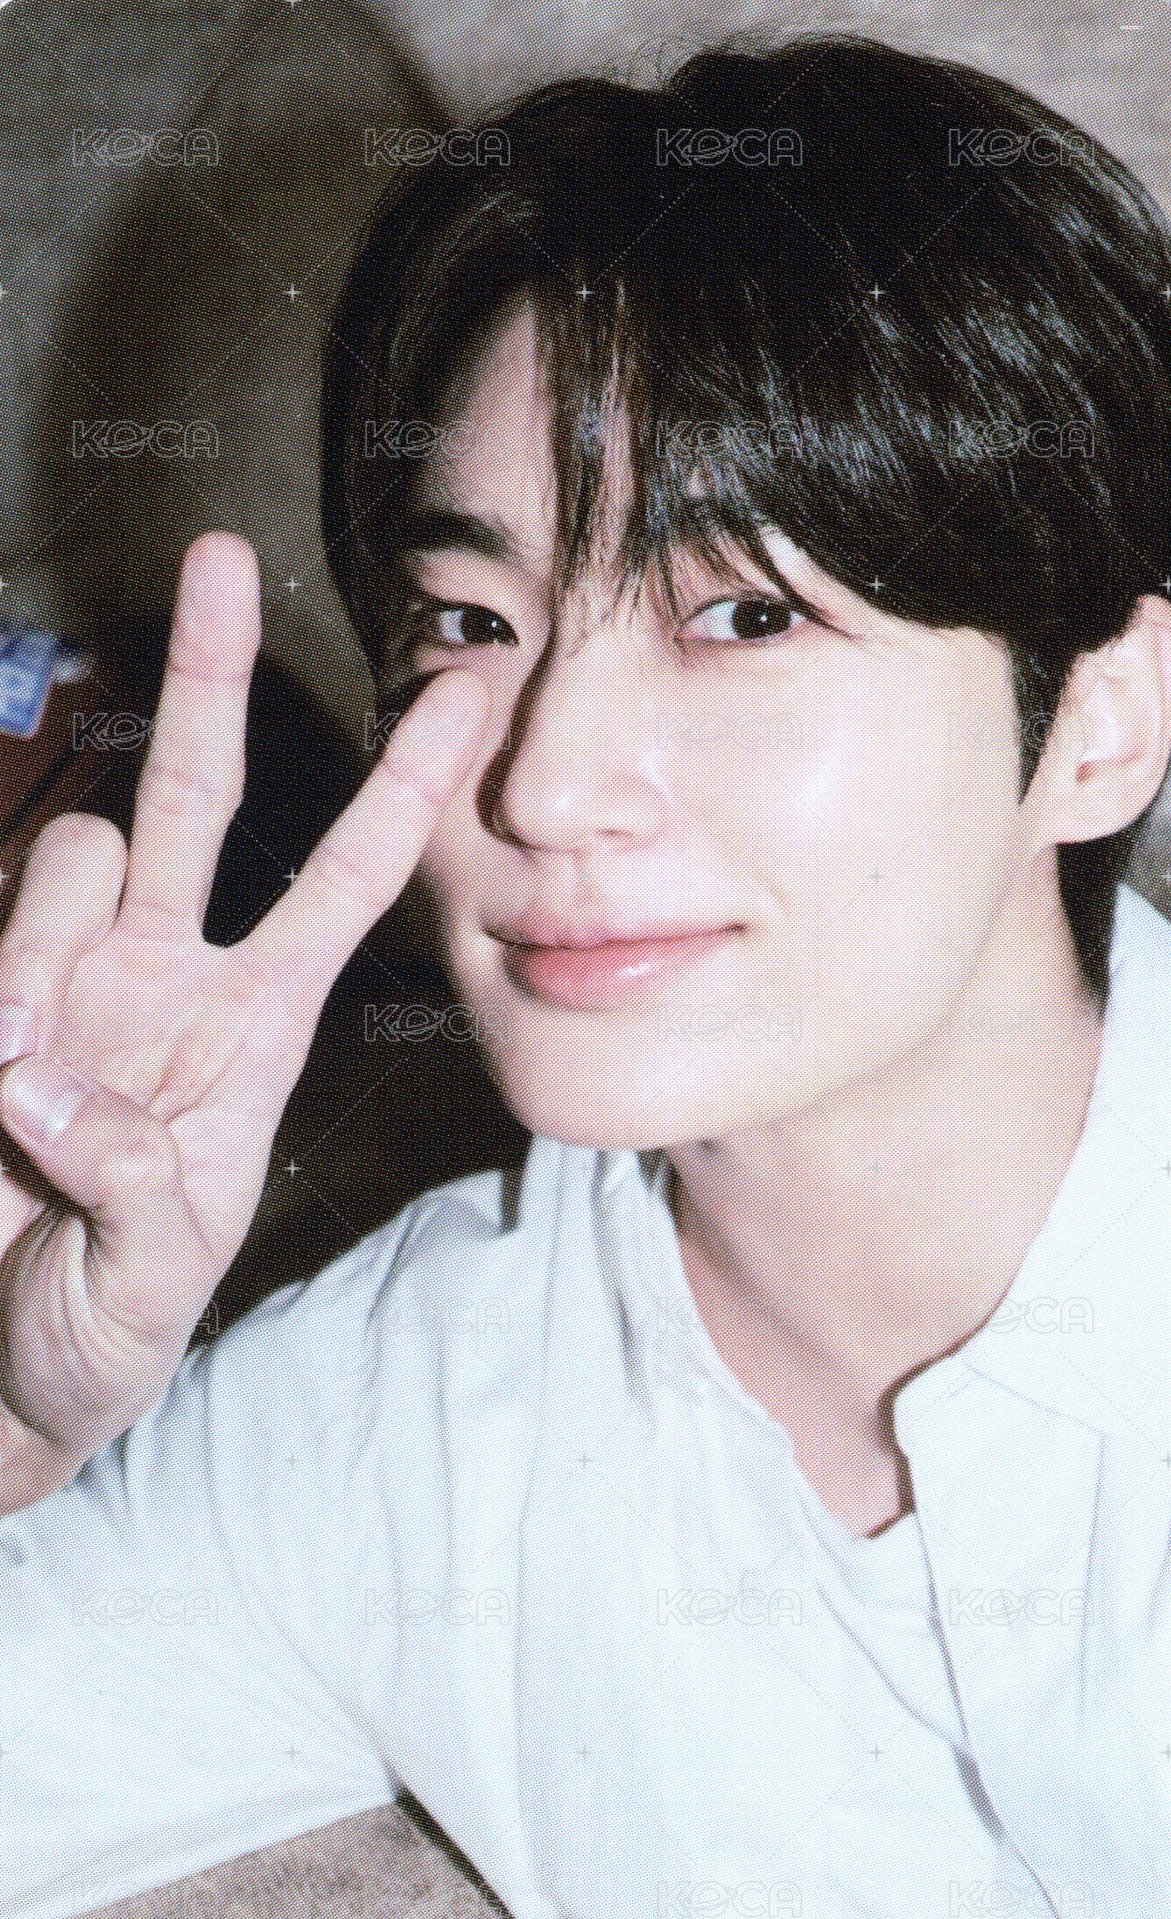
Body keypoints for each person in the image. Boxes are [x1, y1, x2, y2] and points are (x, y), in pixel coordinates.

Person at [3, 30, 1171, 1918]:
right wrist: (11, 1421)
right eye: (471, 622)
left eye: (744, 613)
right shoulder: (404, 1412)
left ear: (1101, 724)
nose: (542, 783)